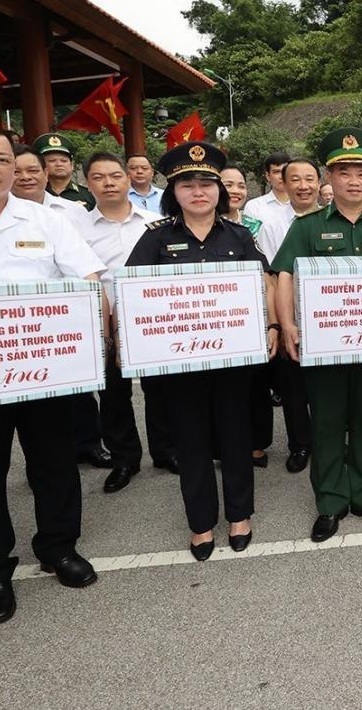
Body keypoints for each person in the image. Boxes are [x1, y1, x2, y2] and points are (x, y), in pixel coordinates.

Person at [0, 119, 104, 625]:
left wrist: (98, 338)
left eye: (2, 159)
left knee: (53, 463)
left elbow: (88, 279)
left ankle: (58, 547)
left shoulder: (46, 221)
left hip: (46, 373)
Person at [125, 141, 276, 561]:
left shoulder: (240, 236)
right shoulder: (155, 239)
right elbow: (133, 293)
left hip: (233, 360)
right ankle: (201, 523)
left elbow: (263, 283)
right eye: (187, 184)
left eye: (207, 184)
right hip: (180, 362)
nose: (198, 192)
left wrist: (272, 324)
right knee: (191, 442)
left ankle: (240, 516)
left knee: (235, 436)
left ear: (219, 191)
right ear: (173, 192)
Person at [273, 128, 362, 542]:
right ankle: (331, 501)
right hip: (324, 351)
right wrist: (288, 324)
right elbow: (284, 277)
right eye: (344, 171)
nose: (354, 180)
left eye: (361, 173)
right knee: (328, 425)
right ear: (328, 178)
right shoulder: (308, 227)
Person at [11, 145, 109, 469]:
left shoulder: (70, 210)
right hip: (9, 324)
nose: (25, 177)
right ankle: (40, 459)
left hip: (63, 319)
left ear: (44, 173)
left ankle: (89, 444)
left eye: (32, 170)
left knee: (77, 391)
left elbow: (85, 263)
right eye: (17, 171)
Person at [79, 151, 168, 494]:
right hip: (101, 320)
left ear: (128, 179)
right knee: (113, 394)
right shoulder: (77, 228)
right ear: (88, 183)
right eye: (99, 177)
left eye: (115, 176)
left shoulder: (154, 223)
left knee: (159, 389)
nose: (108, 183)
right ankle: (124, 459)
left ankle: (166, 450)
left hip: (150, 320)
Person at [256, 157, 321, 474]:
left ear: (320, 182)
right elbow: (270, 276)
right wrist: (281, 323)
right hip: (290, 314)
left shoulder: (332, 219)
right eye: (296, 179)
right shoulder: (273, 225)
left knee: (328, 385)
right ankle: (300, 445)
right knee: (294, 388)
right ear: (282, 182)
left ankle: (329, 440)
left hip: (328, 318)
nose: (304, 185)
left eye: (310, 178)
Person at [222, 164, 273, 466]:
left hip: (249, 315)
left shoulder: (253, 225)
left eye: (241, 184)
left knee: (254, 386)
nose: (235, 190)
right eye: (228, 184)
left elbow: (267, 269)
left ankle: (256, 442)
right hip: (213, 317)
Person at [32, 132, 95, 210]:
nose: (59, 164)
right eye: (52, 161)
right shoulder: (35, 193)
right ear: (42, 166)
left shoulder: (89, 195)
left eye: (64, 161)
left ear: (72, 165)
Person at [243, 151, 293, 224]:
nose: (281, 176)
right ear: (268, 176)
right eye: (276, 172)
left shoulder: (302, 205)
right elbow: (248, 234)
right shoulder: (254, 207)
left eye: (284, 171)